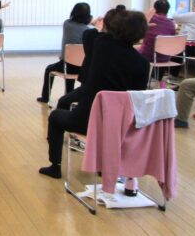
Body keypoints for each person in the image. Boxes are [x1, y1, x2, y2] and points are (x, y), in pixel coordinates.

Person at [39, 11, 150, 178]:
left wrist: (98, 26)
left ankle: (55, 167)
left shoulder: (102, 45)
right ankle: (107, 165)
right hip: (121, 127)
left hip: (87, 121)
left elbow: (89, 34)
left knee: (55, 117)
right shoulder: (143, 63)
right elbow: (138, 97)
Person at [54, 6, 124, 111]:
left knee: (61, 105)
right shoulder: (139, 61)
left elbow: (91, 36)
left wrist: (95, 26)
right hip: (117, 103)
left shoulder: (76, 29)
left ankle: (50, 97)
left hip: (78, 74)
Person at [37, 3, 93, 103]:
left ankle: (45, 97)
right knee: (73, 69)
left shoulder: (67, 24)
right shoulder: (89, 31)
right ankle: (72, 97)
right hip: (83, 69)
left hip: (66, 67)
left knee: (49, 69)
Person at [139, 0, 176, 80]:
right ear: (168, 10)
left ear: (154, 9)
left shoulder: (150, 19)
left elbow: (138, 30)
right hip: (165, 57)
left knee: (135, 49)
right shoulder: (171, 24)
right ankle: (156, 79)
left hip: (148, 56)